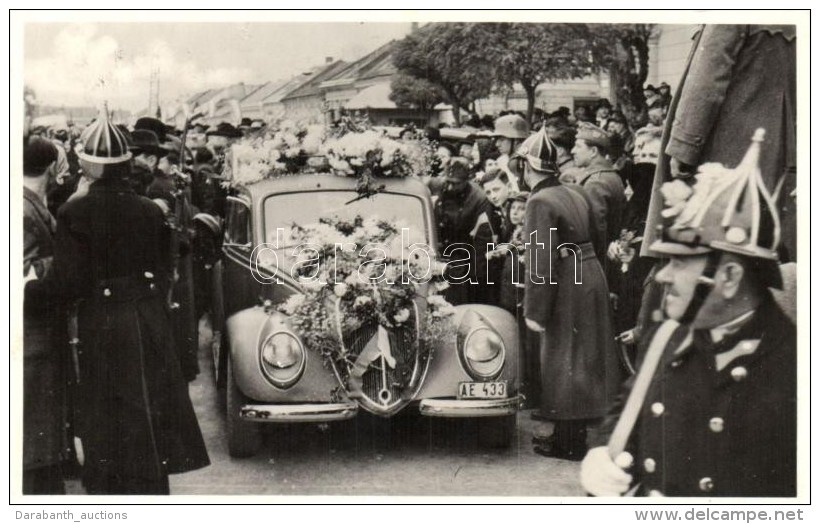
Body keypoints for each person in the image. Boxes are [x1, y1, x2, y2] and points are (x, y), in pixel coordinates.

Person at [581, 130, 796, 497]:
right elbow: (629, 410)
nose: (664, 275)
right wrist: (602, 451)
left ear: (729, 276)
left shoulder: (796, 371)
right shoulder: (670, 334)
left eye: (681, 263)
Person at [25, 109, 210, 494]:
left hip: (102, 324)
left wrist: (28, 287)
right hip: (147, 319)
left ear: (88, 166)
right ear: (126, 164)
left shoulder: (74, 210)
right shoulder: (149, 210)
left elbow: (67, 283)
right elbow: (165, 270)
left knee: (106, 423)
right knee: (147, 418)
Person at [642, 25, 796, 263]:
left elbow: (707, 77)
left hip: (727, 150)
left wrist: (684, 148)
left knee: (702, 252)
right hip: (780, 151)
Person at [514, 127, 621, 460]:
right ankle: (567, 435)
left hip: (567, 278)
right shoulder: (575, 190)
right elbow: (598, 237)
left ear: (527, 167)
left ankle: (569, 441)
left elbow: (540, 260)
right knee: (580, 360)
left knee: (563, 359)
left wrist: (535, 309)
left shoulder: (540, 200)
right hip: (589, 272)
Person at [22, 137, 67, 494]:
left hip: (36, 333)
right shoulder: (21, 209)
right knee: (33, 422)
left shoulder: (32, 203)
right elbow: (22, 275)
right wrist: (67, 258)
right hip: (30, 335)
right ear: (52, 168)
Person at [434, 158, 493, 306]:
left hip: (462, 259)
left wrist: (474, 278)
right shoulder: (441, 187)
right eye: (448, 181)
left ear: (466, 180)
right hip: (437, 254)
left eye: (455, 183)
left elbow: (482, 240)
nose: (450, 187)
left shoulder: (479, 199)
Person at [571, 122, 626, 264]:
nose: (573, 151)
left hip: (593, 263)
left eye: (578, 146)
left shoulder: (595, 183)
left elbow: (595, 232)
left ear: (593, 151)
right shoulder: (610, 176)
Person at [491, 114, 529, 190]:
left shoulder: (525, 161)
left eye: (502, 140)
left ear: (516, 140)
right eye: (496, 140)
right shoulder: (503, 159)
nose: (497, 144)